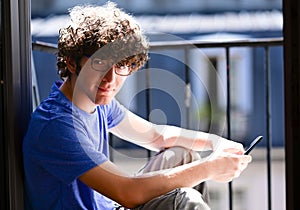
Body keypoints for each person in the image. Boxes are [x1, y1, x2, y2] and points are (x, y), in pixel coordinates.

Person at [23, 2, 252, 210]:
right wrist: (210, 168)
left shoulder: (97, 102)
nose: (110, 79)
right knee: (183, 200)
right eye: (100, 63)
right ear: (72, 63)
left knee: (183, 155)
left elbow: (156, 135)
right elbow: (127, 193)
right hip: (120, 199)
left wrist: (217, 143)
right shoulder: (56, 126)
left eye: (121, 65)